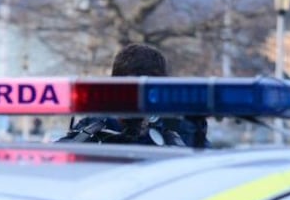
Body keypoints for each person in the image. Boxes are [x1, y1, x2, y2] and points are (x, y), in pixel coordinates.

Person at [58, 43, 208, 147]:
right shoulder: (92, 130)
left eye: (149, 94)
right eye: (130, 94)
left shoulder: (179, 132)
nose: (139, 104)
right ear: (114, 90)